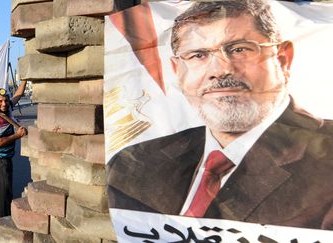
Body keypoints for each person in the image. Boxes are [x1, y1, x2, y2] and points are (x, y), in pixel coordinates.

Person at [106, 0, 333, 230]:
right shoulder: (133, 164)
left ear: (283, 59)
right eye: (198, 55)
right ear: (177, 70)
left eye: (239, 49)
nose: (219, 70)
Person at [0, 80, 28, 220]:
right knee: (5, 191)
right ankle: (5, 221)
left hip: (1, 158)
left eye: (5, 100)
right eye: (0, 101)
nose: (4, 104)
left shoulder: (8, 108)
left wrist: (25, 79)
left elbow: (18, 94)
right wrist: (18, 135)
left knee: (0, 186)